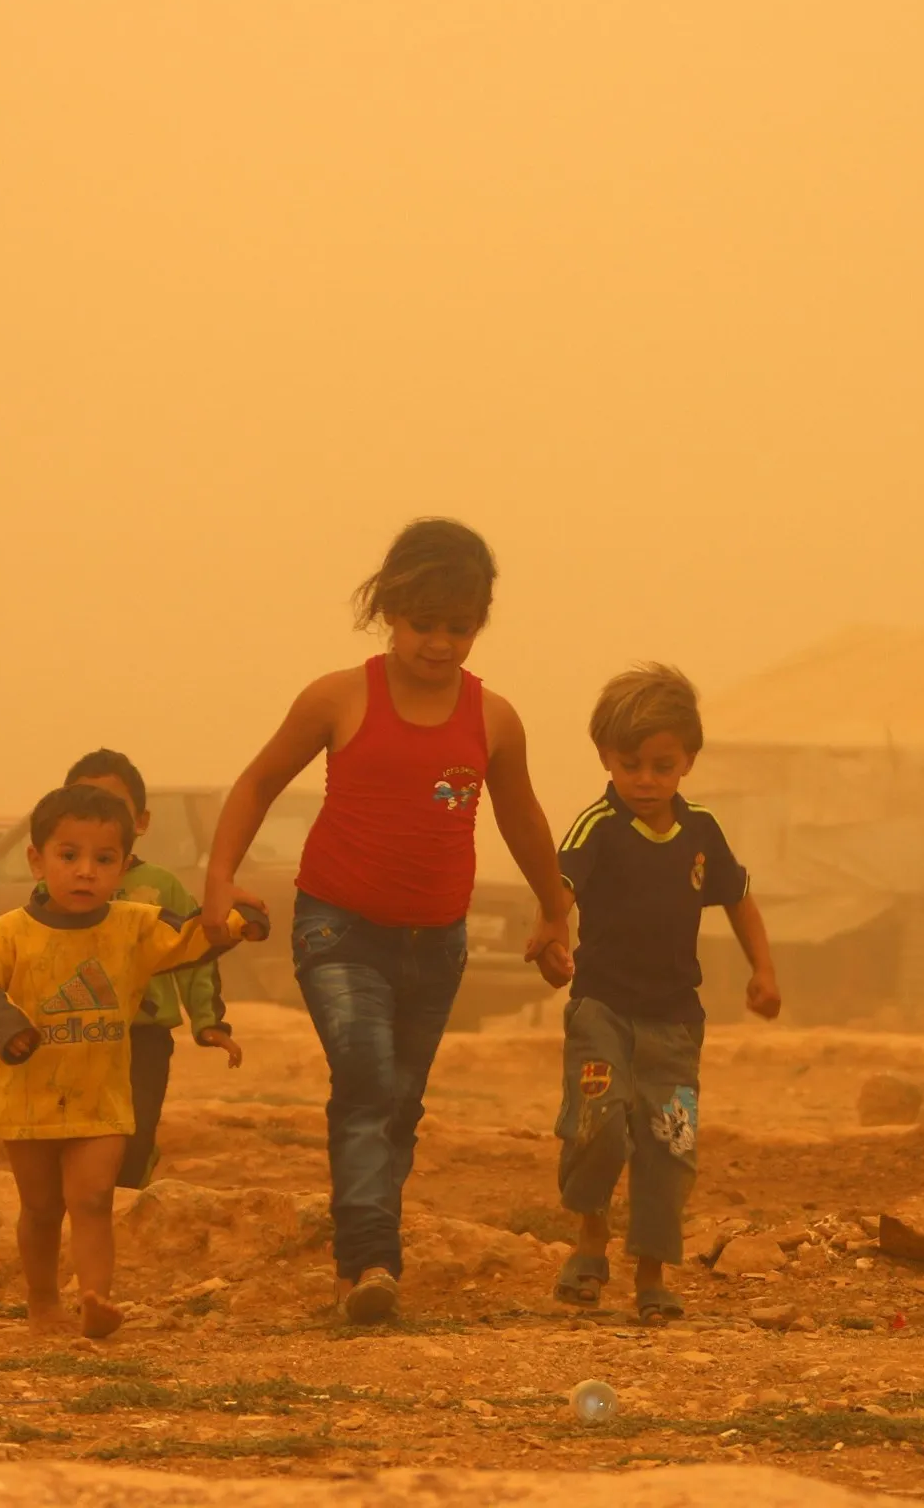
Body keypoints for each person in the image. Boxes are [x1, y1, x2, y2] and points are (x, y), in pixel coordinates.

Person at [198, 518, 574, 1324]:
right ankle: (370, 1264)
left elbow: (522, 819)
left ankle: (363, 1264)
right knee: (367, 1084)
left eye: (457, 627)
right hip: (338, 929)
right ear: (388, 613)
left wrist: (554, 910)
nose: (438, 643)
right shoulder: (337, 698)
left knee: (399, 1103)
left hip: (437, 941)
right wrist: (220, 878)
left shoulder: (494, 719)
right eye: (422, 623)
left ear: (479, 623)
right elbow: (257, 783)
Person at [0, 783, 261, 1340]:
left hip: (102, 1098)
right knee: (41, 1208)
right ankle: (43, 1302)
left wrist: (238, 922)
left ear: (123, 866)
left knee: (93, 1199)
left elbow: (191, 936)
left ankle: (95, 1301)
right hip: (30, 1101)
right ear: (37, 860)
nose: (85, 872)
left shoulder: (134, 926)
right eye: (69, 856)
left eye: (103, 859)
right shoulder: (11, 933)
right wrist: (9, 1030)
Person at [540, 664, 781, 1322]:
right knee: (600, 1119)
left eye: (661, 766)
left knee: (669, 1144)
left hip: (674, 1022)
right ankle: (590, 1238)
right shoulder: (597, 825)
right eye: (631, 765)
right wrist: (551, 932)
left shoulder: (701, 831)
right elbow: (561, 886)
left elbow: (737, 899)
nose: (645, 780)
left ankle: (651, 1275)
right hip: (602, 1010)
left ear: (687, 762)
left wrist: (763, 970)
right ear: (605, 757)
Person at [49, 748, 244, 1189]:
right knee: (75, 1135)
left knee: (133, 1136)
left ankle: (130, 1187)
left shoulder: (161, 886)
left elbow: (194, 952)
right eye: (82, 804)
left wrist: (209, 1022)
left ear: (140, 822)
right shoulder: (52, 889)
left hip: (144, 1036)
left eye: (112, 806)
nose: (97, 816)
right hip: (73, 1034)